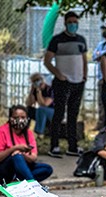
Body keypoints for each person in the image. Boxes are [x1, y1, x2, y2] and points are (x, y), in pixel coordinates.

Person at [44, 11, 87, 157]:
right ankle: (54, 146)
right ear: (65, 23)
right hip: (63, 82)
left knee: (73, 115)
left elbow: (84, 59)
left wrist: (84, 76)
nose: (73, 25)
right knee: (59, 113)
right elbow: (47, 61)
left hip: (78, 81)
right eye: (71, 22)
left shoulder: (81, 40)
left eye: (75, 22)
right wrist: (59, 75)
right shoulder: (57, 40)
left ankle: (72, 146)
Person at [0, 105, 53, 184]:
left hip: (19, 168)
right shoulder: (1, 131)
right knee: (16, 157)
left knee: (46, 169)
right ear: (10, 118)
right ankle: (32, 184)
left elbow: (33, 157)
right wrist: (14, 149)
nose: (20, 120)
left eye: (23, 117)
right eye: (16, 117)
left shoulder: (28, 134)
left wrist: (22, 155)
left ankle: (18, 181)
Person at [92, 25, 106, 124]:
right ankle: (100, 123)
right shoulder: (101, 44)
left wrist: (100, 54)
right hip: (101, 76)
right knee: (100, 101)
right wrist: (100, 54)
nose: (105, 32)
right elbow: (94, 56)